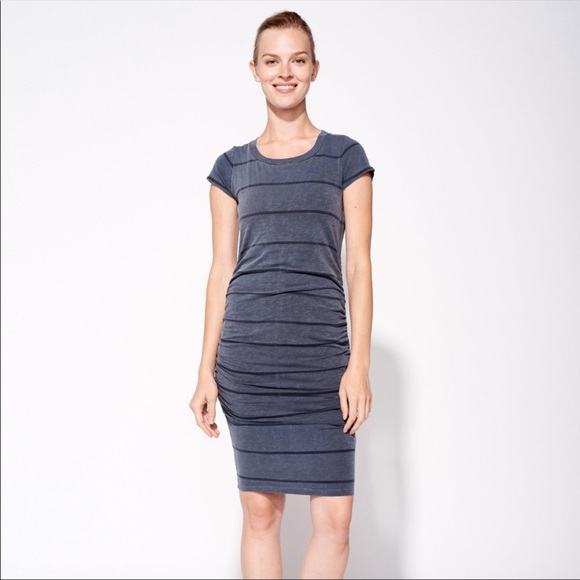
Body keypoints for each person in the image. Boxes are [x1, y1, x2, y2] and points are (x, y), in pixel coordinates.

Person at [189, 10, 374, 579]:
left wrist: (358, 365)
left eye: (297, 60)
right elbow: (221, 271)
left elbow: (359, 266)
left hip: (322, 364)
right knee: (261, 514)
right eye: (272, 61)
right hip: (250, 363)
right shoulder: (230, 168)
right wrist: (204, 372)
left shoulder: (345, 157)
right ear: (254, 69)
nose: (285, 72)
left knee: (335, 520)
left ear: (315, 69)